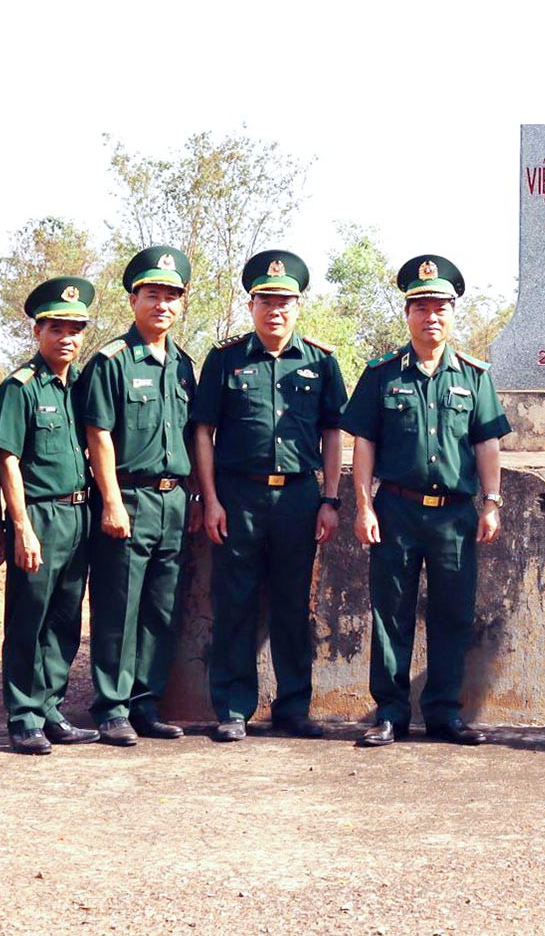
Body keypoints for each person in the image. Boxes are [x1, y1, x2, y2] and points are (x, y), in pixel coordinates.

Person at [343, 255, 511, 748]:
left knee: (452, 614)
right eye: (421, 307)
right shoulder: (380, 375)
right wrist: (363, 505)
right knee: (389, 613)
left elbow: (487, 443)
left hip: (456, 516)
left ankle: (443, 713)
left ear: (453, 313)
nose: (430, 316)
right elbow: (364, 444)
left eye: (440, 307)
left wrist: (492, 502)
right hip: (396, 509)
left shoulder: (475, 376)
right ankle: (390, 713)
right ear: (407, 314)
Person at [193, 250, 347, 742]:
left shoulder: (321, 362)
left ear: (297, 307)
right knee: (234, 601)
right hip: (238, 496)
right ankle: (233, 707)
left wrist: (331, 498)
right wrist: (211, 499)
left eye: (285, 302)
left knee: (290, 605)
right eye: (266, 301)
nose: (275, 310)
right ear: (252, 305)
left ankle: (293, 706)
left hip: (299, 499)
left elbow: (332, 434)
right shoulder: (225, 359)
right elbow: (203, 432)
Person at [81, 245, 199, 745]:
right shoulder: (111, 361)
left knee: (161, 607)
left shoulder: (184, 365)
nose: (162, 305)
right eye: (153, 295)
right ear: (134, 300)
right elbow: (98, 435)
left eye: (172, 297)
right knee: (118, 606)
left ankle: (145, 702)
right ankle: (111, 706)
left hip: (173, 502)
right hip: (128, 498)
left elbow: (195, 435)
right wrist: (109, 500)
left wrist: (194, 496)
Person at [0, 276, 102, 754]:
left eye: (76, 330)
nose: (68, 339)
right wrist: (20, 527)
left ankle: (51, 708)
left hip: (79, 515)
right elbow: (7, 460)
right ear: (38, 332)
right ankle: (22, 715)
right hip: (39, 516)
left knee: (64, 618)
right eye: (57, 329)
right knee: (28, 619)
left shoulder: (82, 386)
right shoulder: (22, 387)